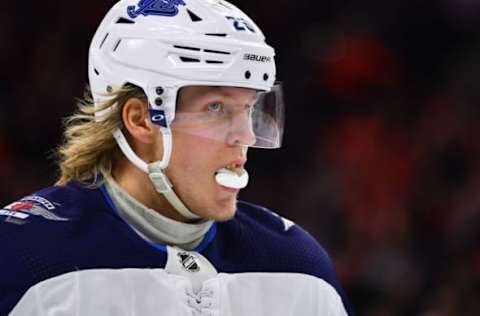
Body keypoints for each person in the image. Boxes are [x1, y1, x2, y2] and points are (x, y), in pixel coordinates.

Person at [0, 0, 353, 315]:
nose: (245, 135)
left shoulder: (299, 267)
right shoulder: (22, 257)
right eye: (216, 107)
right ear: (140, 119)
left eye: (248, 109)